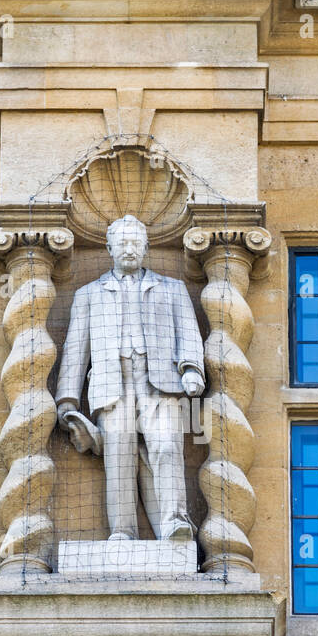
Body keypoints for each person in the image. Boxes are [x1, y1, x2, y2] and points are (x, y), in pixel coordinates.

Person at [55, 214, 205, 541]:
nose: (129, 249)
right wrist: (67, 400)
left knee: (166, 447)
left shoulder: (173, 288)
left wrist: (192, 368)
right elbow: (76, 350)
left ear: (147, 247)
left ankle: (175, 522)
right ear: (109, 248)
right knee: (119, 460)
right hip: (112, 384)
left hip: (160, 384)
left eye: (136, 243)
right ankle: (122, 531)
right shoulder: (88, 294)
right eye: (122, 243)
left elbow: (189, 333)